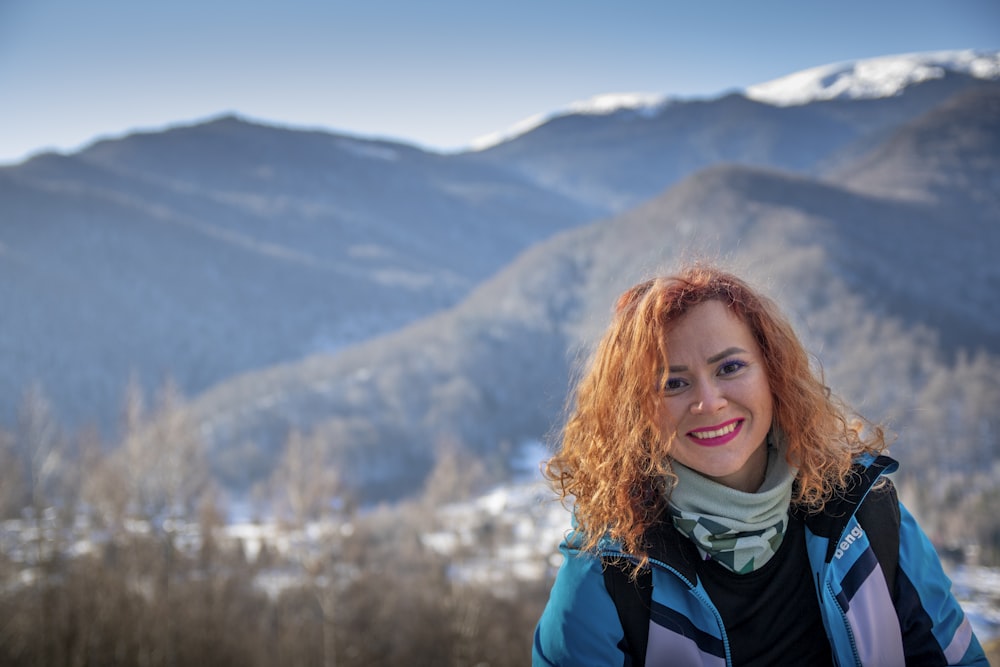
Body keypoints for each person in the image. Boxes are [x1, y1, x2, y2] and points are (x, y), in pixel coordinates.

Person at [532, 264, 987, 666]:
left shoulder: (865, 511)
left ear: (773, 373)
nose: (708, 402)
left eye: (729, 368)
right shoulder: (608, 569)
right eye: (673, 383)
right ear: (636, 413)